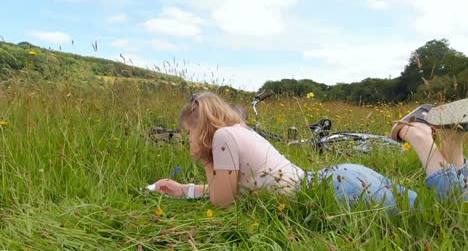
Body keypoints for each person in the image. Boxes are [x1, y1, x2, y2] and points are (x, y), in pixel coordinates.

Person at [153, 92, 467, 208]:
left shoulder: (220, 139)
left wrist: (204, 157)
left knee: (443, 210)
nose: (189, 141)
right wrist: (186, 189)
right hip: (342, 181)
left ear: (202, 127)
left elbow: (222, 200)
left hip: (340, 190)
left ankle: (419, 137)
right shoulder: (237, 131)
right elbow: (232, 187)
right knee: (444, 207)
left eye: (190, 133)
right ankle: (452, 144)